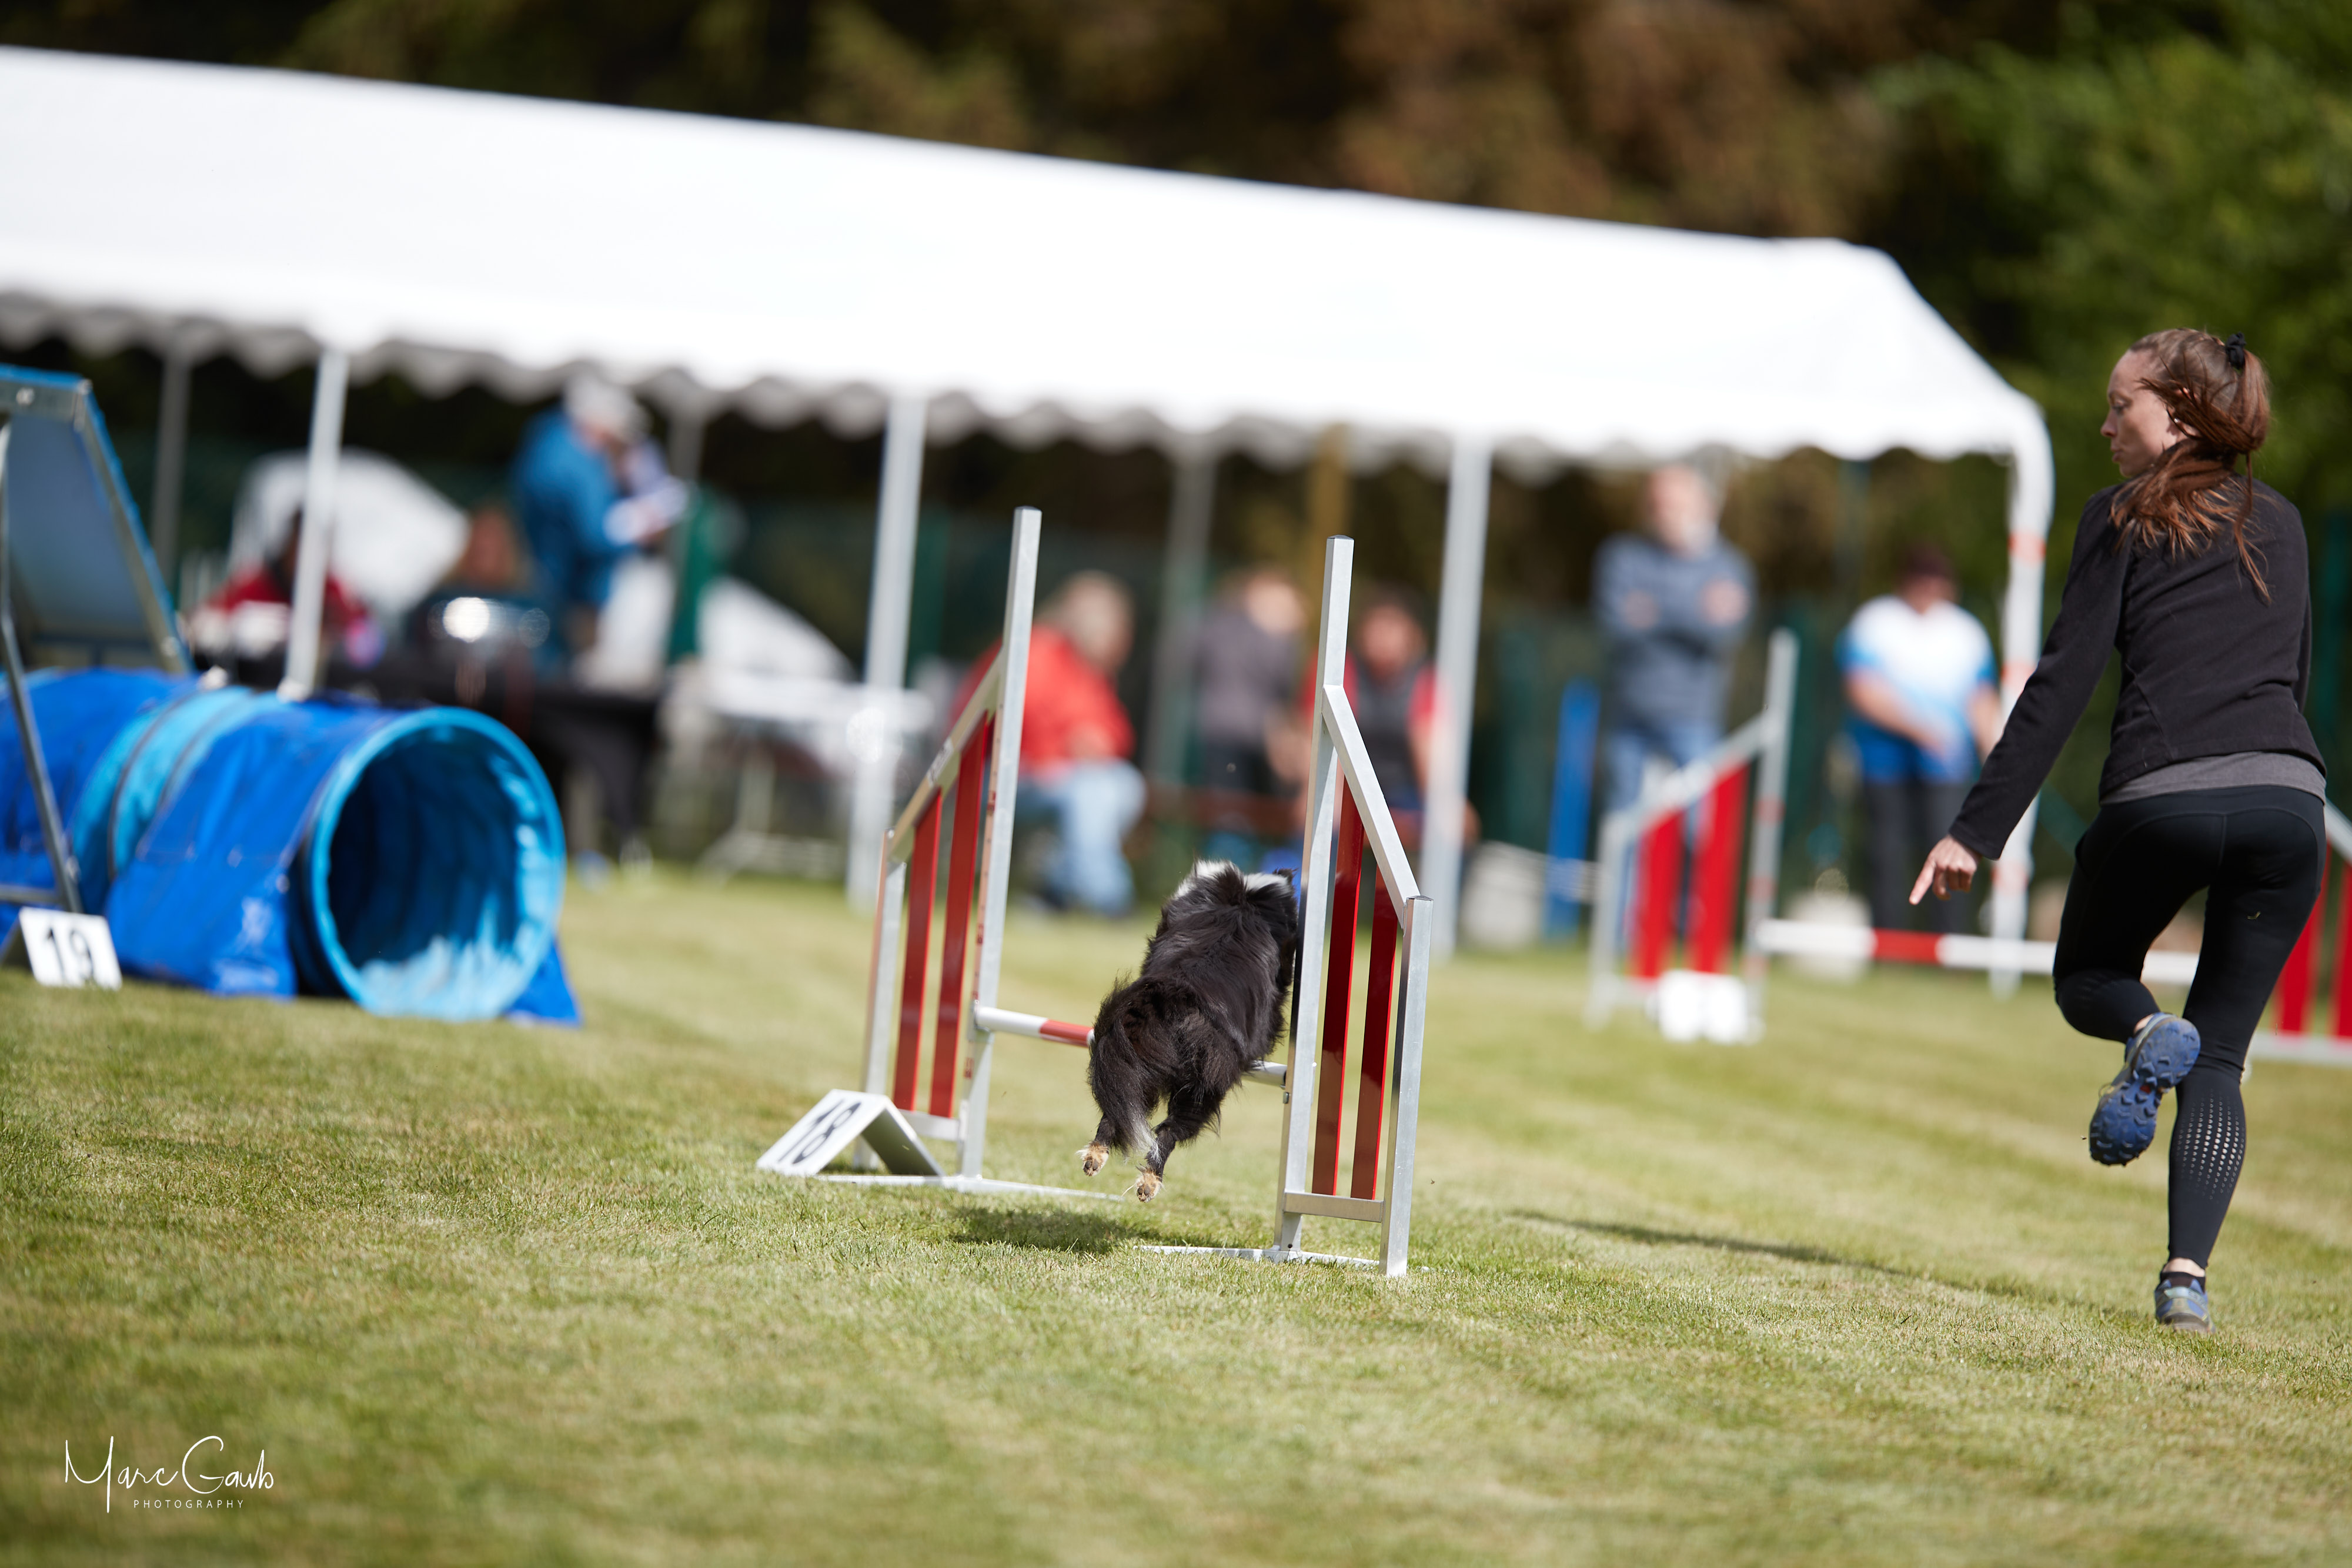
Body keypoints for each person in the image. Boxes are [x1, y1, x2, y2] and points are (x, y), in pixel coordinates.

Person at [1911, 329, 2318, 1336]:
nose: (2104, 426)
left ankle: (2144, 1030)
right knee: (2221, 1059)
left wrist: (1974, 830)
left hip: (2162, 799)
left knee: (2089, 976)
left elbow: (2059, 686)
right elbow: (2296, 673)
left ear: (2175, 414)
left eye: (2119, 406)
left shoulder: (2121, 516)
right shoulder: (2284, 521)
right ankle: (2186, 1280)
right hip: (2288, 802)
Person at [1839, 543, 2002, 932]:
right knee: (1887, 854)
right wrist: (1922, 730)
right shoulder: (1876, 622)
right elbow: (1862, 690)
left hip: (1946, 766)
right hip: (1884, 762)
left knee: (1952, 851)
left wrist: (1999, 760)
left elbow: (1981, 700)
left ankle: (1948, 943)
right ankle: (1889, 942)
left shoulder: (1965, 632)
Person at [1595, 464, 1754, 815]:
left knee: (1700, 825)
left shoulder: (1728, 565)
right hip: (1629, 715)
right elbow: (1616, 623)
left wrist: (1653, 611)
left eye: (1675, 504)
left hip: (1695, 718)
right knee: (1622, 824)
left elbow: (1725, 632)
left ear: (1704, 506)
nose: (1665, 513)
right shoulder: (1623, 556)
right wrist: (1695, 609)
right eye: (1657, 504)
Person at [991, 571, 1146, 915]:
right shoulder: (1035, 650)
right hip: (1015, 772)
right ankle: (1111, 899)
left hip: (1069, 773)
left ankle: (1056, 889)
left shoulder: (1090, 669)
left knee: (1127, 786)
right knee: (1092, 793)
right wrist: (1066, 747)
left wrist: (1100, 743)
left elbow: (1118, 731)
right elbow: (1015, 718)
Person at [509, 375, 684, 666]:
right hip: (566, 595)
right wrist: (640, 530)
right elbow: (595, 534)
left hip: (553, 586)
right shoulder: (573, 457)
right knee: (566, 669)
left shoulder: (548, 444)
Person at [1191, 567, 1304, 867]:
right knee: (1240, 817)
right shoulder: (1271, 638)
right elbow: (1284, 684)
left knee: (1232, 815)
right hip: (1253, 737)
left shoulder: (1215, 625)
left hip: (1222, 731)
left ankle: (1229, 873)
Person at [193, 509, 381, 669]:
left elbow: (368, 639)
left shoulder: (334, 589)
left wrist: (336, 639)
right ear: (290, 541)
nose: (309, 557)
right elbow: (203, 621)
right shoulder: (256, 583)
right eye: (303, 545)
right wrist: (239, 628)